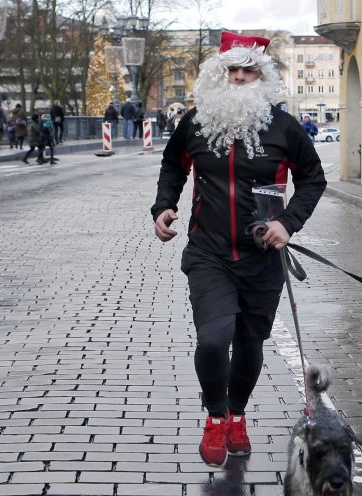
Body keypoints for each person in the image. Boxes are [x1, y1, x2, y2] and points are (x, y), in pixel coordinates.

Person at [150, 31, 327, 467]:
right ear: (220, 73)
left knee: (250, 343)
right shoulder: (195, 123)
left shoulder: (284, 128)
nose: (241, 77)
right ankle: (215, 418)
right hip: (209, 253)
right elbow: (173, 165)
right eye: (233, 70)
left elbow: (313, 180)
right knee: (214, 340)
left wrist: (287, 223)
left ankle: (237, 414)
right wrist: (164, 206)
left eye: (250, 70)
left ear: (263, 76)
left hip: (261, 258)